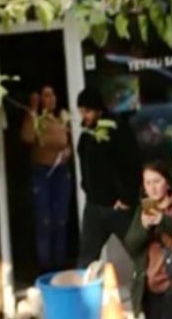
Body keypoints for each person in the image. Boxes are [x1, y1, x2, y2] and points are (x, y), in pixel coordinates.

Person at [123, 161, 172, 319]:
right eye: (147, 183)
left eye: (157, 181)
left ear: (168, 183)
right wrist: (144, 227)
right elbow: (131, 245)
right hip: (152, 290)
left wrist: (163, 221)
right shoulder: (143, 210)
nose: (152, 187)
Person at [73, 88, 137, 268]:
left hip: (117, 206)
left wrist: (127, 197)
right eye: (81, 111)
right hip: (94, 205)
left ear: (98, 110)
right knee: (86, 260)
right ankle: (82, 294)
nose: (84, 116)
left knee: (140, 254)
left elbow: (131, 163)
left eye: (87, 111)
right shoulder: (87, 133)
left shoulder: (117, 128)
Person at [19, 84, 73, 273]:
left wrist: (68, 152)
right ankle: (45, 267)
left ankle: (60, 265)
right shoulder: (36, 118)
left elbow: (69, 142)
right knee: (44, 220)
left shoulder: (61, 118)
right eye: (46, 95)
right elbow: (27, 137)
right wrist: (33, 108)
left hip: (60, 172)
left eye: (53, 95)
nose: (51, 99)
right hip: (42, 173)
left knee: (61, 219)